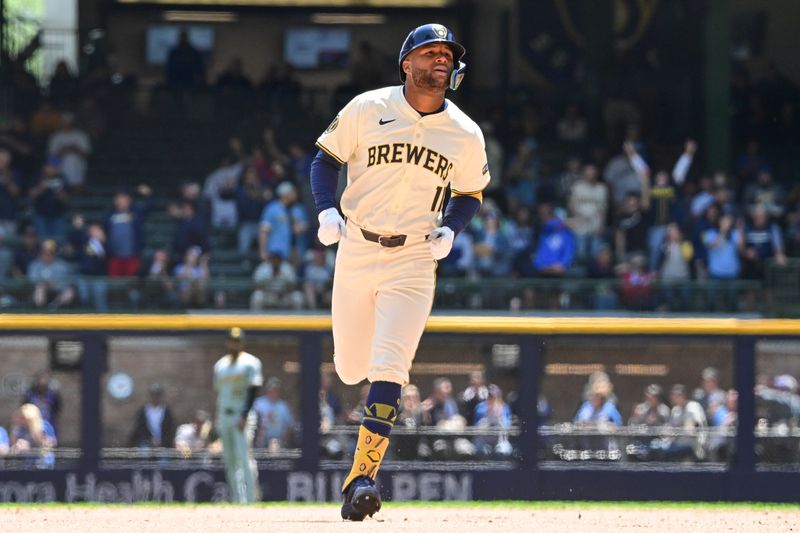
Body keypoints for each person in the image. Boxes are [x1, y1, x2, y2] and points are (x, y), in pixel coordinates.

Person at [310, 23, 488, 521]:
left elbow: (471, 192)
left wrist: (452, 228)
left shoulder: (465, 133)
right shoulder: (369, 107)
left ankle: (361, 478)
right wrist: (327, 210)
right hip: (357, 246)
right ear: (406, 63)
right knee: (350, 367)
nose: (441, 61)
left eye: (447, 55)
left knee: (389, 369)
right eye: (430, 53)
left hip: (414, 257)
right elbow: (325, 159)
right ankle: (362, 465)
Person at [213, 327, 263, 503]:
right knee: (230, 459)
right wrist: (217, 419)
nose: (234, 344)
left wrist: (244, 414)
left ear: (242, 343)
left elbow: (253, 390)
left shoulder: (250, 363)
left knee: (244, 458)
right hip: (224, 415)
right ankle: (237, 499)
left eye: (237, 341)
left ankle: (251, 499)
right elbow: (219, 394)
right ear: (228, 342)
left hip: (241, 415)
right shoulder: (220, 365)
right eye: (232, 341)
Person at [253, 377, 295, 450]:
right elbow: (253, 423)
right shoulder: (258, 403)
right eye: (272, 389)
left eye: (277, 390)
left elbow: (289, 425)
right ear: (267, 390)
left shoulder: (284, 406)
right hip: (261, 442)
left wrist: (283, 441)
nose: (275, 392)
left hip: (278, 442)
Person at [129, 383, 175, 448]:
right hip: (146, 442)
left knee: (164, 456)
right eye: (153, 395)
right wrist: (149, 440)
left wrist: (162, 440)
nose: (155, 398)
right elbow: (140, 428)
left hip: (163, 443)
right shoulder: (143, 410)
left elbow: (170, 428)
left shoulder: (166, 411)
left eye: (157, 395)